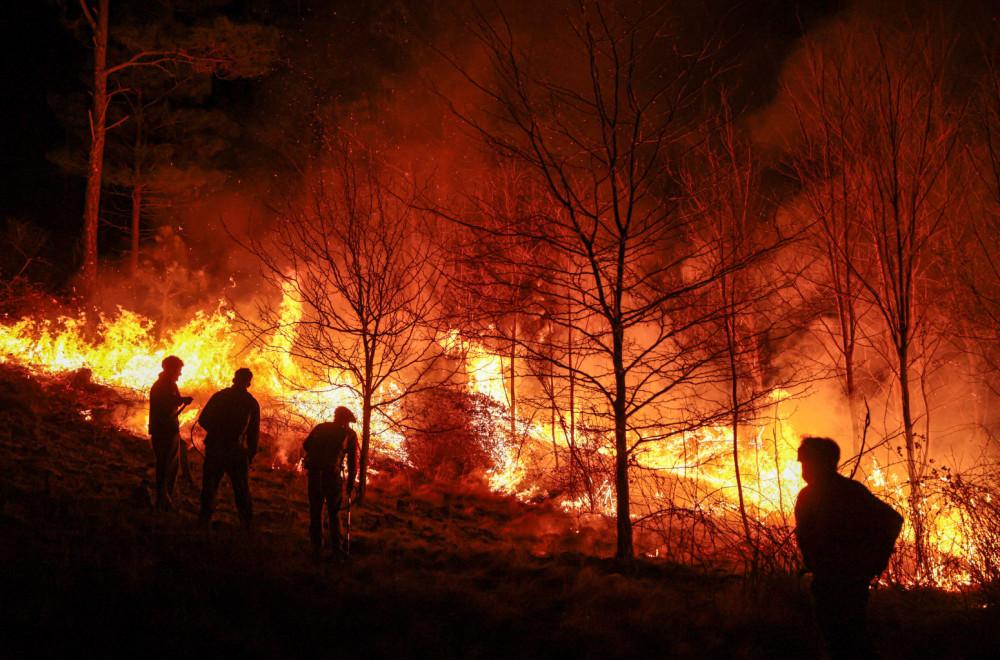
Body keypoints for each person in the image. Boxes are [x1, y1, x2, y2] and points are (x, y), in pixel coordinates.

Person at [795, 436, 904, 660]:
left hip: (839, 581)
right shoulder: (851, 490)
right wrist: (875, 561)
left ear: (821, 462)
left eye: (805, 462)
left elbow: (892, 520)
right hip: (841, 579)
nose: (802, 469)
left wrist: (874, 561)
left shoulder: (815, 495)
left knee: (844, 640)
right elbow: (892, 520)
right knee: (848, 638)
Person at [197, 368, 260, 531]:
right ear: (249, 382)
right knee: (241, 491)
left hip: (215, 447)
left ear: (234, 379)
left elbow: (203, 419)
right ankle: (247, 527)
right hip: (236, 450)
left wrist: (216, 431)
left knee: (210, 487)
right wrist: (251, 455)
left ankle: (203, 522)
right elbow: (253, 433)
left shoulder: (220, 396)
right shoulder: (251, 402)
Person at [302, 406, 360, 557]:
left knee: (315, 511)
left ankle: (316, 547)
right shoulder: (349, 434)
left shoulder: (321, 427)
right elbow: (353, 462)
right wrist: (350, 481)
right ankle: (337, 549)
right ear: (347, 421)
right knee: (334, 513)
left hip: (314, 474)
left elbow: (306, 445)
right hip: (331, 476)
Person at [148, 355, 194, 510]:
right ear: (171, 369)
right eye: (178, 370)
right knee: (166, 464)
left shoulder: (165, 384)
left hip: (166, 428)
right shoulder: (164, 385)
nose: (180, 374)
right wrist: (182, 400)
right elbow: (167, 402)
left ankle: (166, 497)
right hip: (165, 429)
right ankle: (163, 499)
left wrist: (181, 400)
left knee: (169, 464)